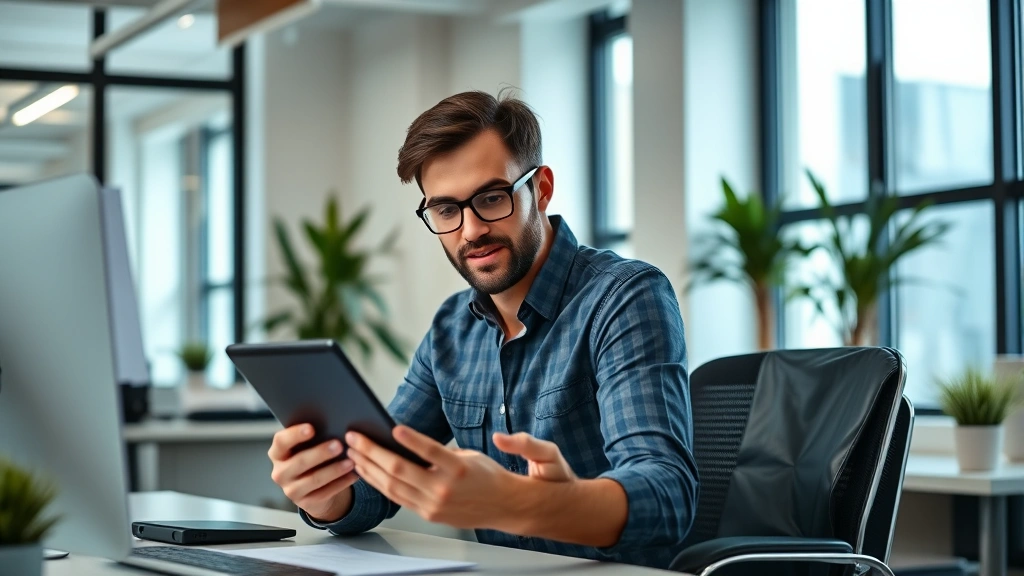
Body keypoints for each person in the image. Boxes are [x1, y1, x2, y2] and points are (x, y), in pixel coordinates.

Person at [267, 90, 698, 569]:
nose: (470, 230)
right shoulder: (452, 330)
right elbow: (380, 478)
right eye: (446, 210)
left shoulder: (624, 298)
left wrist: (523, 503)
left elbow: (667, 497)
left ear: (542, 189)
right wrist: (328, 495)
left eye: (492, 198)